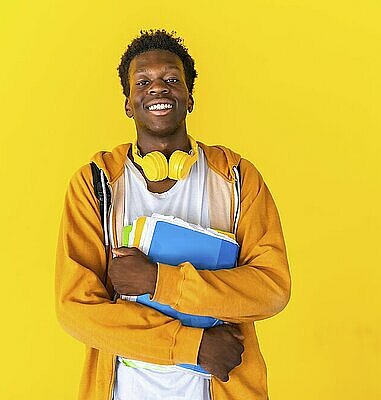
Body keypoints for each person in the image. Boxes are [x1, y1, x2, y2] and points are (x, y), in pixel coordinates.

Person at [55, 29, 291, 400]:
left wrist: (157, 281)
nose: (158, 88)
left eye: (171, 79)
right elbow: (76, 309)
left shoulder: (237, 178)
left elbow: (271, 290)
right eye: (143, 82)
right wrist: (191, 346)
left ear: (189, 97)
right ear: (128, 104)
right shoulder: (95, 183)